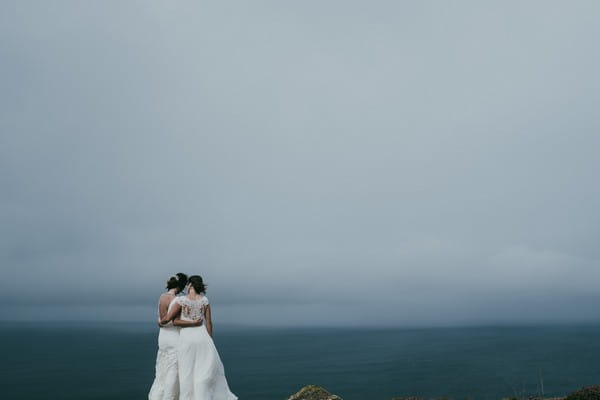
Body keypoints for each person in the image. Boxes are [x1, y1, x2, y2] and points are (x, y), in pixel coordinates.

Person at [160, 275, 237, 400]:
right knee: (203, 371)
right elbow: (209, 323)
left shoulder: (182, 300)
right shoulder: (204, 300)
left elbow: (172, 320)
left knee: (187, 372)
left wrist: (161, 321)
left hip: (187, 339)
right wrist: (210, 340)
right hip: (203, 338)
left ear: (190, 285)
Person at [149, 273, 203, 400]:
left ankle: (157, 396)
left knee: (162, 369)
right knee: (173, 370)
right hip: (174, 337)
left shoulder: (162, 297)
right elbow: (175, 322)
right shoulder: (177, 300)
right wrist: (193, 323)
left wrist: (161, 322)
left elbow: (161, 320)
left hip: (162, 338)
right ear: (181, 286)